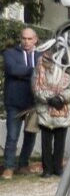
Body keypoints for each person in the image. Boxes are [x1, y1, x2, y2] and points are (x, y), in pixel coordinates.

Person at [31, 50, 70, 178]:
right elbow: (36, 88)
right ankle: (47, 169)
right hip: (45, 109)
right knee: (46, 141)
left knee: (60, 141)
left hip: (63, 110)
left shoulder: (69, 67)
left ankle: (58, 167)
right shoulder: (39, 68)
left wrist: (61, 98)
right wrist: (50, 99)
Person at [3, 27, 40, 179]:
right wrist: (33, 70)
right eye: (24, 38)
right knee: (12, 136)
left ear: (35, 39)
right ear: (20, 38)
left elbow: (46, 73)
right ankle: (8, 167)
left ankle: (23, 164)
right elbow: (13, 69)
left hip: (33, 102)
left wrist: (24, 72)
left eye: (29, 39)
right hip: (14, 102)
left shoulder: (41, 55)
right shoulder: (10, 53)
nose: (26, 41)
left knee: (30, 135)